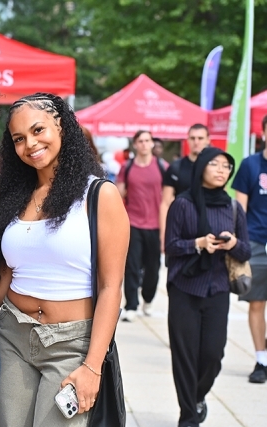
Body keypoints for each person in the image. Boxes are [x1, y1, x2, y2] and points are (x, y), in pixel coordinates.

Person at [0, 93, 129, 426]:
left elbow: (111, 287)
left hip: (72, 343)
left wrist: (93, 367)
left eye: (38, 130)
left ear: (61, 126)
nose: (30, 145)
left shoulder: (99, 195)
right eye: (19, 139)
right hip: (12, 334)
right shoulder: (14, 199)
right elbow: (6, 279)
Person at [165, 147, 251, 426]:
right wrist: (198, 244)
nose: (220, 170)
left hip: (217, 289)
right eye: (214, 164)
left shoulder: (233, 206)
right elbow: (171, 246)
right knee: (185, 356)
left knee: (213, 355)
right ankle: (188, 416)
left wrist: (233, 243)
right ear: (201, 166)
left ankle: (196, 396)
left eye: (226, 166)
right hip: (184, 288)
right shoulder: (183, 203)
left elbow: (246, 251)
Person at [116, 130, 167, 321]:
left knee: (153, 268)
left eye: (148, 140)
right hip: (133, 223)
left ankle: (148, 298)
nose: (144, 144)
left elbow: (168, 197)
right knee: (132, 266)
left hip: (155, 225)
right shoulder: (127, 167)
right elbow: (118, 193)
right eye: (141, 141)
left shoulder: (162, 167)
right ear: (135, 144)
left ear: (152, 143)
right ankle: (131, 305)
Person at [232, 115, 267, 383]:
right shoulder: (250, 165)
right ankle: (261, 360)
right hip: (256, 240)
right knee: (257, 302)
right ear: (263, 134)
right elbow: (240, 208)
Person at [159, 124, 211, 252]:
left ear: (208, 140)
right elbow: (165, 203)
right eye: (192, 138)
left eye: (200, 138)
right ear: (187, 140)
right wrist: (164, 235)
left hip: (209, 228)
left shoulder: (214, 167)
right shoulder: (176, 167)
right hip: (181, 229)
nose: (196, 142)